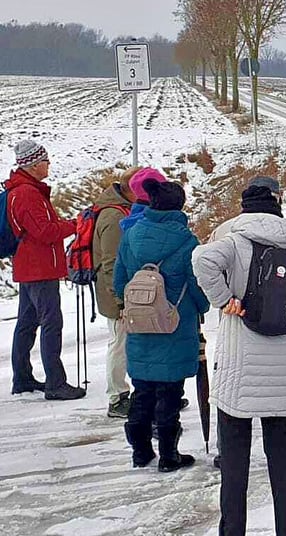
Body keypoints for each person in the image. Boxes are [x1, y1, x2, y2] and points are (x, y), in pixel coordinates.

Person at [192, 183, 286, 536]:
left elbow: (201, 260)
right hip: (283, 374)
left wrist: (226, 301)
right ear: (277, 208)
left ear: (244, 209)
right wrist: (285, 325)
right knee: (283, 460)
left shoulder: (235, 241)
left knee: (234, 465)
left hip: (238, 371)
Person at [115, 180, 210, 472]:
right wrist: (202, 308)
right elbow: (197, 288)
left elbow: (119, 282)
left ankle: (140, 452)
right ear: (179, 206)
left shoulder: (130, 235)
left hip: (139, 320)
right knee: (170, 391)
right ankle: (169, 455)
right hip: (175, 324)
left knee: (141, 389)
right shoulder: (187, 241)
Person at [7, 140, 85, 400]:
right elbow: (45, 232)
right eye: (46, 160)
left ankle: (23, 378)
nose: (49, 164)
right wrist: (75, 224)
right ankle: (55, 383)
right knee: (51, 323)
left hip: (28, 266)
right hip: (40, 268)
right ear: (34, 164)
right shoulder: (28, 193)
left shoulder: (20, 190)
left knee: (27, 324)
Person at [93, 169, 138, 418]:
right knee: (118, 344)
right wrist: (119, 300)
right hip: (114, 294)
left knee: (124, 344)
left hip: (118, 291)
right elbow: (111, 263)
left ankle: (124, 393)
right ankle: (117, 397)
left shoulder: (117, 209)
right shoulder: (113, 216)